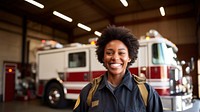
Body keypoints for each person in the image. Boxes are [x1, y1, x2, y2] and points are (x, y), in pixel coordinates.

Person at [73, 25, 163, 112]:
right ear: (103, 57)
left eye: (121, 53)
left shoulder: (147, 92)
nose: (115, 58)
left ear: (129, 57)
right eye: (109, 53)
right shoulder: (88, 92)